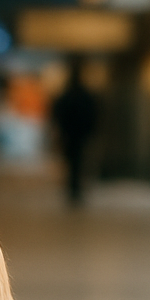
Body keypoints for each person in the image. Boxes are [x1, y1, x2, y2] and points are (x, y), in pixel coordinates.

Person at [51, 55, 99, 206]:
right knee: (78, 161)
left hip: (71, 134)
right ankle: (75, 188)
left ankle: (74, 188)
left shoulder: (68, 95)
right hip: (79, 134)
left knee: (74, 162)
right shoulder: (84, 95)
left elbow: (58, 113)